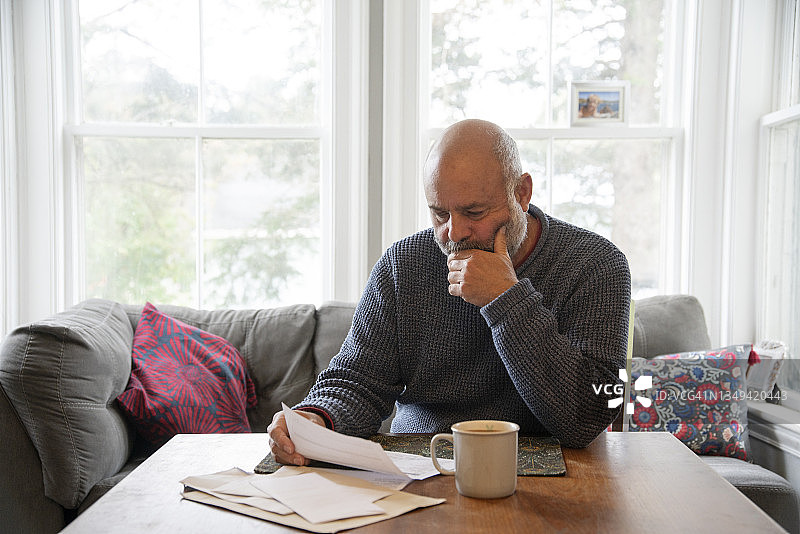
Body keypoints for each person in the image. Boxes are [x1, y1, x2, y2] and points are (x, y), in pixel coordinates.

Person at [268, 119, 631, 465]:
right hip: (420, 468)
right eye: (440, 214)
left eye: (474, 212)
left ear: (521, 193)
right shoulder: (404, 265)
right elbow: (358, 381)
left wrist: (507, 299)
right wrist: (316, 419)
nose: (454, 234)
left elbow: (587, 417)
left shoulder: (596, 264)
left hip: (559, 475)